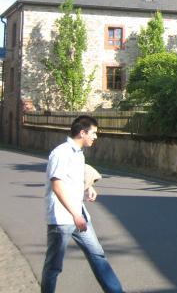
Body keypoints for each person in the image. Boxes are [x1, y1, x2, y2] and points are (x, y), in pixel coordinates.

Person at [41, 115, 124, 293]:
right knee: (53, 267)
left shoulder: (78, 153)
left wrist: (89, 186)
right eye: (93, 133)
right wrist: (75, 214)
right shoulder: (61, 153)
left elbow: (74, 178)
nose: (95, 137)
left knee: (97, 255)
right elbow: (57, 185)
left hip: (79, 216)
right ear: (82, 132)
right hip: (62, 219)